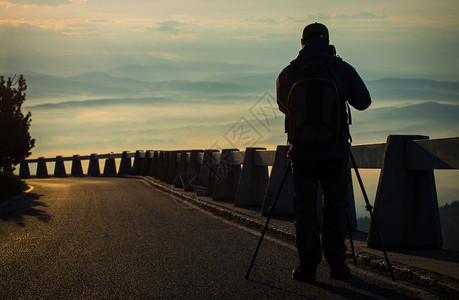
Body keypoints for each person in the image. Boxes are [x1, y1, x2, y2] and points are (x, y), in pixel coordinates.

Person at [276, 23, 371, 282]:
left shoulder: (289, 72)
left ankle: (307, 267)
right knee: (335, 209)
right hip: (335, 151)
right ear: (328, 41)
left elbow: (285, 108)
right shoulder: (341, 68)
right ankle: (337, 265)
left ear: (302, 42)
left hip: (302, 155)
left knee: (305, 210)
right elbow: (364, 102)